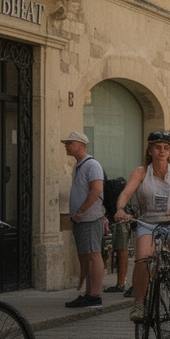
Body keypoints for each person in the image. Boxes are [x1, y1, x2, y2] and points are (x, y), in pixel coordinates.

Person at [113, 131, 170, 322]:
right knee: (142, 259)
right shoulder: (141, 172)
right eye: (157, 147)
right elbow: (126, 192)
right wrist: (120, 209)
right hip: (148, 222)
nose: (162, 151)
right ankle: (139, 304)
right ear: (150, 150)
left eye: (166, 148)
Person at [63, 132, 106, 308]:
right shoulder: (79, 166)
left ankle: (94, 295)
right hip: (81, 219)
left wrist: (81, 211)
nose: (66, 146)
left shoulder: (92, 165)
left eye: (69, 143)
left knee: (94, 255)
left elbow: (96, 189)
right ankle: (88, 293)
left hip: (90, 218)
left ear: (81, 145)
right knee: (87, 257)